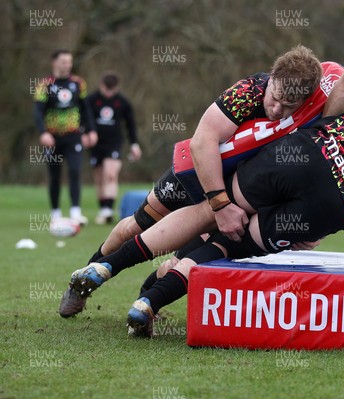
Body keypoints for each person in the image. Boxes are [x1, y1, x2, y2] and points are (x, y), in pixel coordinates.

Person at [70, 63, 344, 337]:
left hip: (296, 157)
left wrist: (329, 130)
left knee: (210, 216)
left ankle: (108, 270)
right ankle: (147, 301)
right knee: (231, 242)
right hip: (310, 200)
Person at [59, 45, 326, 317]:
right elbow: (202, 142)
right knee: (134, 228)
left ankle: (144, 305)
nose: (278, 109)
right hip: (196, 175)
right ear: (272, 77)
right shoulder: (247, 92)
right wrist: (220, 204)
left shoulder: (312, 107)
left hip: (237, 192)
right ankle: (83, 281)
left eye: (288, 106)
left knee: (180, 260)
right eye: (276, 98)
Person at [34, 49, 97, 225]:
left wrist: (90, 130)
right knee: (54, 175)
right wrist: (43, 132)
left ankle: (76, 212)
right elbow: (38, 112)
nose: (66, 65)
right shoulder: (44, 84)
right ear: (54, 63)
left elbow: (86, 109)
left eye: (69, 61)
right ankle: (55, 213)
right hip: (52, 138)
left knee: (75, 171)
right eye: (63, 61)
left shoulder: (78, 83)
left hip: (73, 136)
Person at [88, 72, 142, 224]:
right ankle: (103, 209)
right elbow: (85, 119)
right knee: (99, 178)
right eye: (107, 90)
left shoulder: (122, 102)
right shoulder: (92, 100)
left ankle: (108, 210)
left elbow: (130, 125)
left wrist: (134, 145)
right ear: (101, 86)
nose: (109, 93)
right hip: (96, 144)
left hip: (114, 143)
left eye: (112, 90)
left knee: (110, 175)